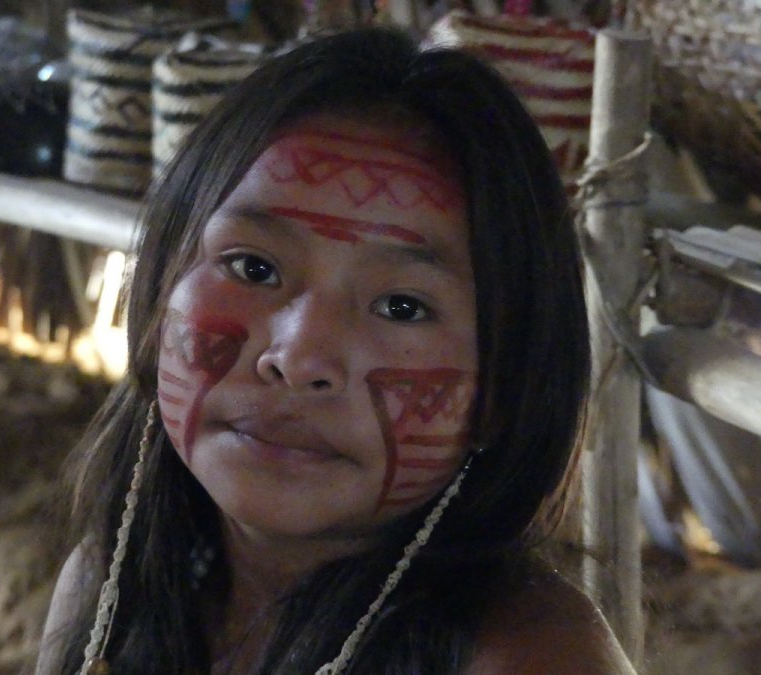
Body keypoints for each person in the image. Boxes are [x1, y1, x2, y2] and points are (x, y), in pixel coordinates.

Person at [36, 26, 636, 675]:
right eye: (254, 268)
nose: (297, 359)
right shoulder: (107, 592)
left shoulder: (531, 659)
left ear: (503, 388)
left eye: (402, 306)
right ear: (158, 293)